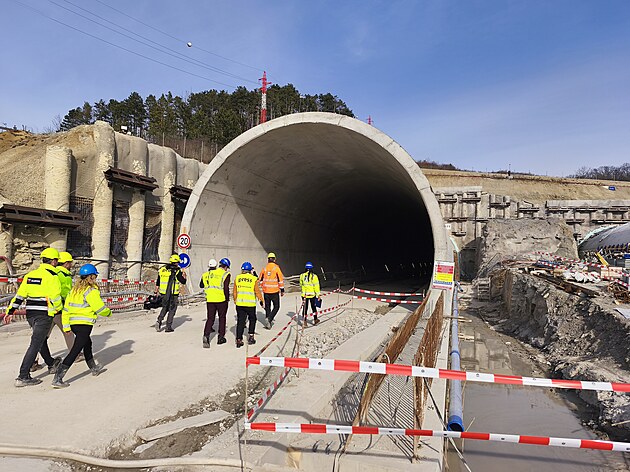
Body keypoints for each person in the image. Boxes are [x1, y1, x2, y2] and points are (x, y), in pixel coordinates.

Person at [7, 247, 63, 387]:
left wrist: (10, 311)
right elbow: (56, 297)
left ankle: (51, 363)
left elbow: (20, 296)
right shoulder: (53, 276)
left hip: (31, 314)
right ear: (53, 261)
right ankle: (23, 376)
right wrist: (59, 309)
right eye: (56, 261)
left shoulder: (30, 275)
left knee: (41, 340)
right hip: (44, 314)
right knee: (36, 343)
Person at [52, 264, 111, 388]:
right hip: (85, 325)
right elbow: (99, 308)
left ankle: (94, 368)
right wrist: (108, 313)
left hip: (73, 324)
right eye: (95, 276)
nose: (96, 278)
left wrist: (66, 326)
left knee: (87, 343)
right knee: (75, 351)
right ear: (91, 277)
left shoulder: (73, 291)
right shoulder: (91, 291)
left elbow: (66, 309)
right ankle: (58, 378)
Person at [200, 258, 231, 347]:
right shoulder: (225, 274)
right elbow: (226, 288)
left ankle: (206, 335)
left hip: (210, 299)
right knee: (222, 318)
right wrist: (227, 299)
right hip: (221, 299)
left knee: (210, 318)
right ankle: (221, 338)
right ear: (226, 267)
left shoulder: (206, 274)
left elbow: (201, 285)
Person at [233, 261, 264, 348]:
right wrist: (261, 300)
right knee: (252, 319)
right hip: (250, 304)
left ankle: (239, 339)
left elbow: (234, 291)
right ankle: (251, 337)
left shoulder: (237, 278)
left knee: (240, 321)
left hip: (240, 304)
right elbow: (257, 291)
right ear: (250, 270)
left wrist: (235, 300)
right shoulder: (253, 279)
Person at [52, 251, 77, 354]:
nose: (71, 265)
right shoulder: (63, 275)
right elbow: (65, 293)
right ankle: (75, 355)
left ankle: (33, 359)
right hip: (60, 308)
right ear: (66, 263)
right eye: (70, 263)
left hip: (48, 308)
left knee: (42, 336)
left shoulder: (54, 273)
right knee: (68, 331)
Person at [155, 254, 187, 332]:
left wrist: (156, 290)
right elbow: (182, 281)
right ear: (176, 262)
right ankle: (168, 327)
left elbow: (158, 281)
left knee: (165, 307)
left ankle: (159, 320)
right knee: (172, 309)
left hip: (163, 293)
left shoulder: (162, 269)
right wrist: (184, 277)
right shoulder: (177, 271)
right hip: (173, 293)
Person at [258, 252, 284, 329]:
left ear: (268, 260)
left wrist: (263, 287)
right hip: (274, 291)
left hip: (266, 291)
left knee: (267, 307)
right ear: (274, 260)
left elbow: (260, 279)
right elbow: (280, 280)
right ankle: (269, 319)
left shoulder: (264, 268)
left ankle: (268, 323)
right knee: (277, 306)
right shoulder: (276, 268)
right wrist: (282, 290)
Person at [300, 262, 321, 327]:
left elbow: (301, 285)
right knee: (313, 308)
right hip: (312, 295)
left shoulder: (302, 276)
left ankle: (304, 322)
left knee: (305, 308)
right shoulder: (314, 276)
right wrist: (318, 295)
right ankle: (315, 320)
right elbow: (316, 286)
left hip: (305, 295)